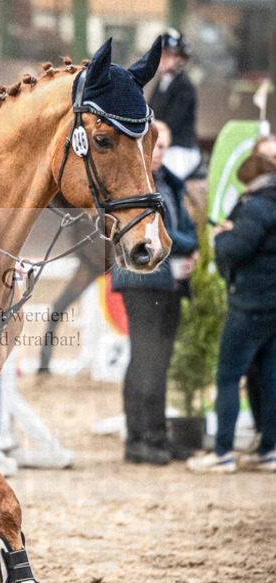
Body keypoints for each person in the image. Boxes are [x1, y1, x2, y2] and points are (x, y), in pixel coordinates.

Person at [111, 120, 199, 465]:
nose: (160, 152)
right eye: (156, 146)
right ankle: (138, 438)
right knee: (144, 360)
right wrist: (188, 247)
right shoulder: (138, 187)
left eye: (164, 147)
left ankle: (158, 436)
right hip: (141, 280)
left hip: (168, 280)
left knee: (158, 361)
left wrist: (187, 248)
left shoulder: (170, 184)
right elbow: (169, 235)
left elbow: (185, 227)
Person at [188, 135, 276, 473]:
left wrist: (223, 235)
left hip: (250, 304)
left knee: (227, 377)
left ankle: (222, 450)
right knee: (269, 378)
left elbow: (236, 250)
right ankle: (268, 448)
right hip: (271, 308)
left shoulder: (255, 206)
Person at [149, 29, 201, 181]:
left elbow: (171, 124)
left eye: (169, 55)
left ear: (181, 59)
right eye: (162, 55)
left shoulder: (184, 86)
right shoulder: (162, 82)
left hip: (179, 149)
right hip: (162, 144)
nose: (163, 59)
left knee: (162, 177)